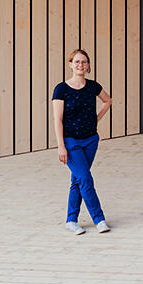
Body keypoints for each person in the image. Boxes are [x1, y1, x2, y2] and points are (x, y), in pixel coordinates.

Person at [52, 49, 112, 234]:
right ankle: (99, 219)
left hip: (91, 140)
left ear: (88, 65)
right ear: (70, 64)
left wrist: (96, 119)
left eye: (84, 62)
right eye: (77, 62)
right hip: (71, 142)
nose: (80, 65)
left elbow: (108, 101)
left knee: (77, 180)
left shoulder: (93, 86)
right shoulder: (61, 89)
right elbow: (58, 120)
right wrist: (61, 146)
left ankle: (71, 220)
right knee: (85, 178)